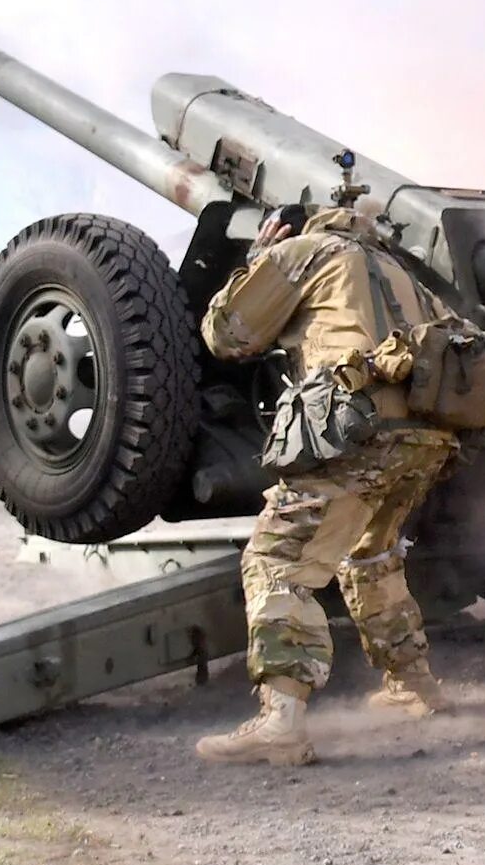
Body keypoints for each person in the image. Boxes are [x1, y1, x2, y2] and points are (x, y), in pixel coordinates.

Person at [192, 205, 460, 766]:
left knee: (276, 561)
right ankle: (414, 686)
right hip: (422, 440)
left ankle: (282, 723)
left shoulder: (308, 253)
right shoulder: (406, 277)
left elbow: (226, 333)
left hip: (357, 433)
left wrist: (258, 259)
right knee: (371, 554)